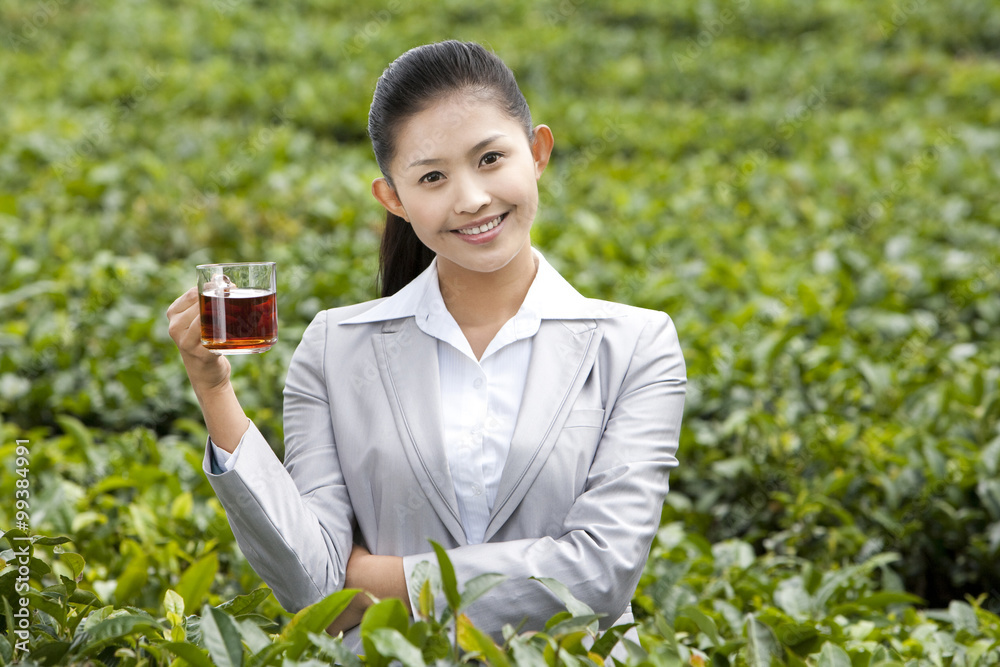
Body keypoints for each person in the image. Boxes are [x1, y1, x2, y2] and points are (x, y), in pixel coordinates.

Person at [166, 40, 686, 652]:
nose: (470, 198)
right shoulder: (336, 348)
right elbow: (313, 585)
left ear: (538, 152)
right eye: (433, 176)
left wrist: (382, 581)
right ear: (393, 199)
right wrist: (214, 389)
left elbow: (600, 575)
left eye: (491, 158)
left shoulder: (635, 345)